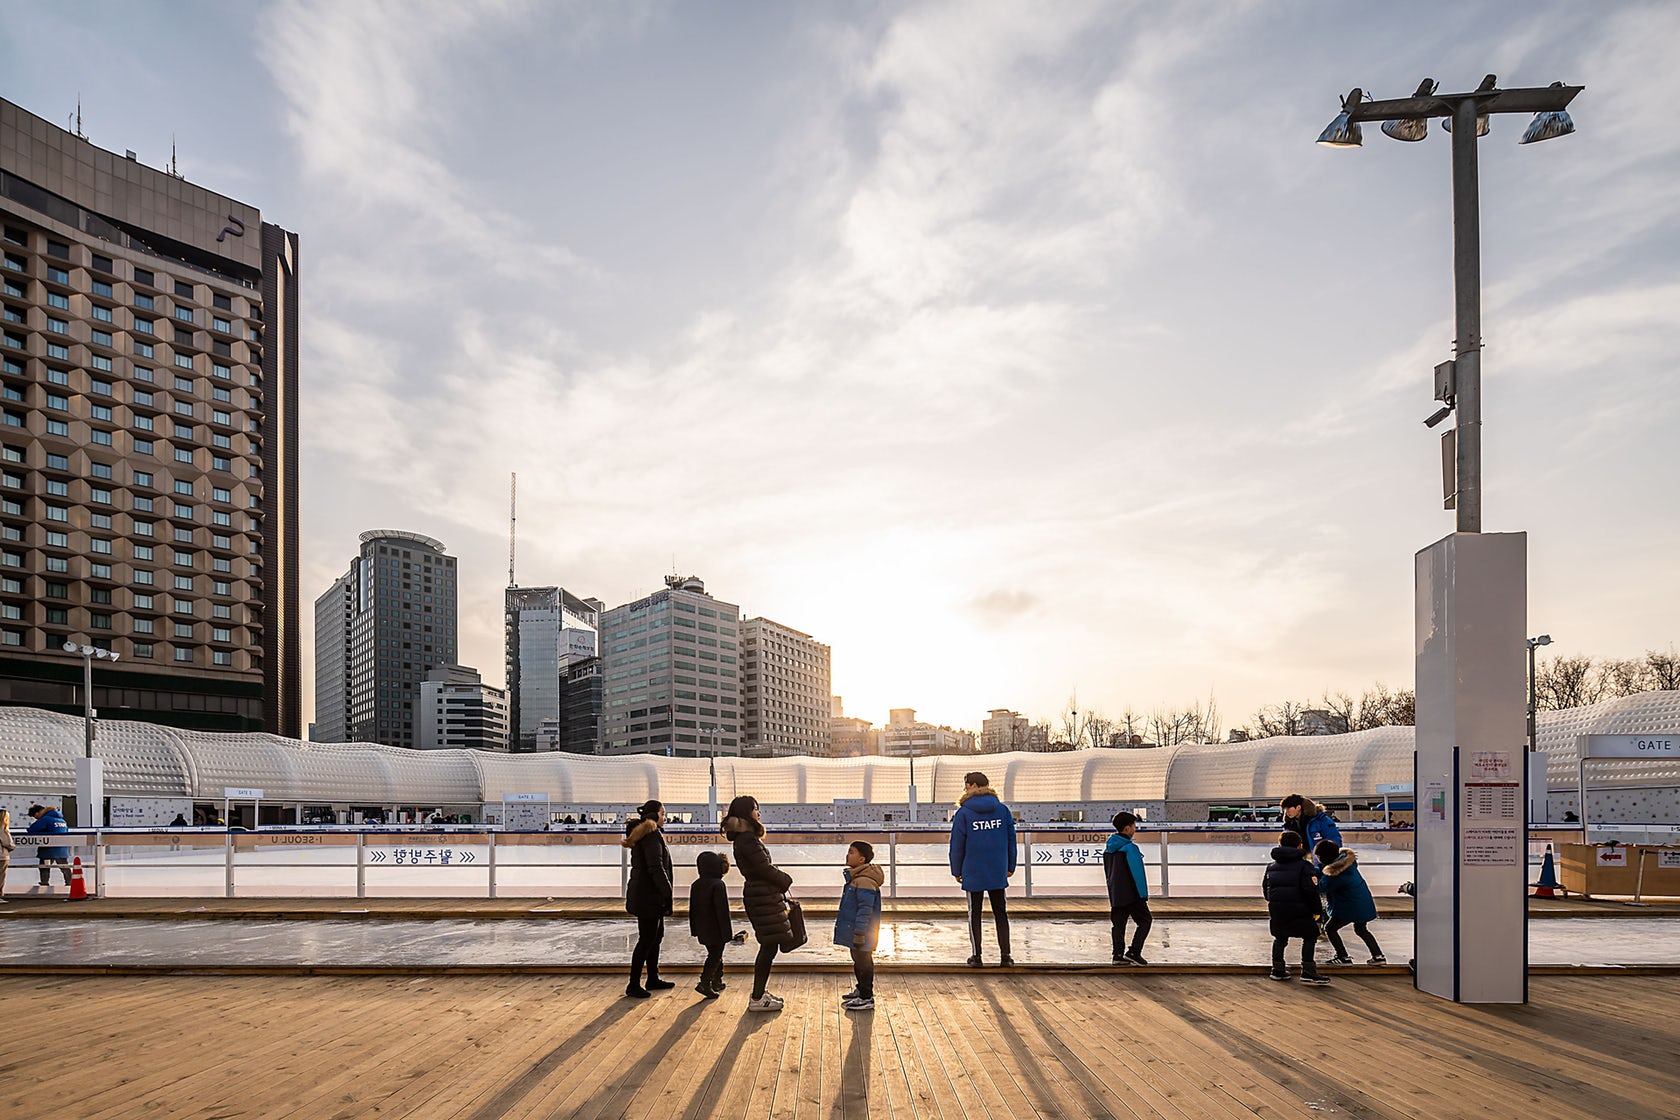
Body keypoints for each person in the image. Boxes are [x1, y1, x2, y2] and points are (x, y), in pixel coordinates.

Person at [723, 795, 795, 1012]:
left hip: (762, 895)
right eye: (755, 809)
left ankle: (759, 993)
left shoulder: (744, 838)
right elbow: (764, 868)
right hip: (762, 897)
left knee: (769, 945)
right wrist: (785, 879)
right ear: (747, 813)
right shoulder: (747, 840)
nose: (758, 813)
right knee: (768, 946)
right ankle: (756, 998)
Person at [949, 770, 1016, 967]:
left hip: (973, 869)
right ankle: (1006, 956)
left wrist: (956, 870)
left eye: (967, 785)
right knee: (1000, 912)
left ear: (975, 786)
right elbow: (1011, 840)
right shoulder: (1002, 810)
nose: (965, 789)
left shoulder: (964, 813)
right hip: (997, 868)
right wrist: (1010, 865)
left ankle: (977, 956)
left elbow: (957, 844)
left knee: (974, 913)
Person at [622, 799, 674, 998]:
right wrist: (667, 891)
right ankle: (633, 984)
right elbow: (656, 867)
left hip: (647, 895)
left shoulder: (647, 833)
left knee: (655, 937)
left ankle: (653, 978)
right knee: (647, 939)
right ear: (654, 815)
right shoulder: (651, 835)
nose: (665, 817)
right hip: (648, 896)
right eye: (662, 813)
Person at [1262, 832, 1328, 985]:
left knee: (1280, 938)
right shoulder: (1305, 866)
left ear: (1280, 846)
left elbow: (1266, 890)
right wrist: (1317, 911)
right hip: (1302, 910)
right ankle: (1308, 971)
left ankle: (1277, 969)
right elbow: (1310, 891)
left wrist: (1275, 902)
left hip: (1278, 909)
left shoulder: (1271, 867)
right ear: (1300, 846)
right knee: (1310, 937)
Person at [1314, 840, 1386, 965]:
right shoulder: (1346, 864)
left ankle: (1343, 957)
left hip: (1349, 905)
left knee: (1330, 928)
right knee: (1361, 929)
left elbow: (1321, 887)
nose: (1318, 859)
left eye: (1318, 857)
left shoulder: (1335, 874)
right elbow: (1326, 869)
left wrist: (1312, 880)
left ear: (1325, 857)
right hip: (1362, 902)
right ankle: (1378, 956)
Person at [833, 840, 884, 1011]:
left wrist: (860, 932)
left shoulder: (864, 881)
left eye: (851, 852)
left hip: (863, 931)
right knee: (857, 959)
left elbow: (865, 909)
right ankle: (861, 989)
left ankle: (866, 996)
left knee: (863, 961)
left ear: (861, 860)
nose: (848, 855)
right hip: (856, 930)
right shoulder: (857, 878)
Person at [689, 850, 745, 999]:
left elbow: (692, 909)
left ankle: (717, 981)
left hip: (702, 927)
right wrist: (727, 933)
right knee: (715, 955)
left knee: (714, 953)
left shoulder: (696, 884)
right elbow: (722, 912)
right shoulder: (718, 885)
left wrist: (694, 929)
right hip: (716, 929)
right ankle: (705, 983)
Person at [1103, 811, 1152, 966]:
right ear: (1127, 828)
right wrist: (1143, 895)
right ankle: (1134, 952)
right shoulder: (1130, 848)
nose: (1135, 829)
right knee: (1145, 921)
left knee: (1118, 924)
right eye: (1134, 826)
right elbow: (1137, 873)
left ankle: (1117, 955)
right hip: (1132, 893)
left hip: (1116, 893)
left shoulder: (1108, 849)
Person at [26, 804, 71, 888]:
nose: (36, 818)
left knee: (44, 867)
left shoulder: (46, 819)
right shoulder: (62, 820)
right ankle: (70, 883)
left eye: (35, 816)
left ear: (38, 812)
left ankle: (44, 883)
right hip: (62, 848)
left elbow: (31, 830)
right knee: (64, 867)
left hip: (48, 849)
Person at [0, 807, 15, 898]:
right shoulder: (2, 828)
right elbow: (8, 843)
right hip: (1, 855)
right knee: (1, 877)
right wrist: (12, 847)